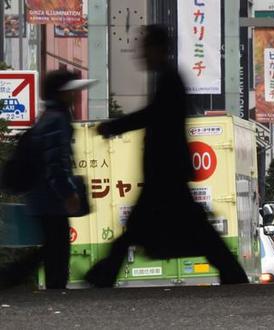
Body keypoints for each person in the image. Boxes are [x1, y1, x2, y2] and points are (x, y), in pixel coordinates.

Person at [84, 25, 248, 287]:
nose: (142, 54)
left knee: (165, 228)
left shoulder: (170, 80)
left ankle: (104, 274)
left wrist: (114, 127)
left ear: (159, 49)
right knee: (188, 229)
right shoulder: (169, 79)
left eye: (146, 48)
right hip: (166, 171)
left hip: (165, 171)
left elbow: (154, 116)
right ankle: (232, 273)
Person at [0, 71, 95, 289]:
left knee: (53, 245)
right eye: (72, 90)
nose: (76, 94)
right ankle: (17, 277)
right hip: (50, 198)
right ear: (62, 93)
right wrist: (67, 193)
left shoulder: (49, 116)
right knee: (57, 247)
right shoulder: (56, 119)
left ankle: (18, 277)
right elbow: (55, 161)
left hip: (42, 196)